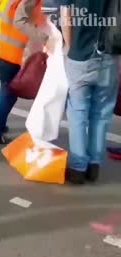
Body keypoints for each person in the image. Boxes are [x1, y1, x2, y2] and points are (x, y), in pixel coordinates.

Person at [61, 0, 119, 184]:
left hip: (80, 55)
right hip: (109, 55)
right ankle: (94, 165)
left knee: (78, 113)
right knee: (101, 114)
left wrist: (70, 49)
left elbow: (66, 16)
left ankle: (78, 168)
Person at [0, 0, 53, 144]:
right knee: (9, 92)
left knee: (7, 89)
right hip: (10, 54)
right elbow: (20, 21)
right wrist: (45, 39)